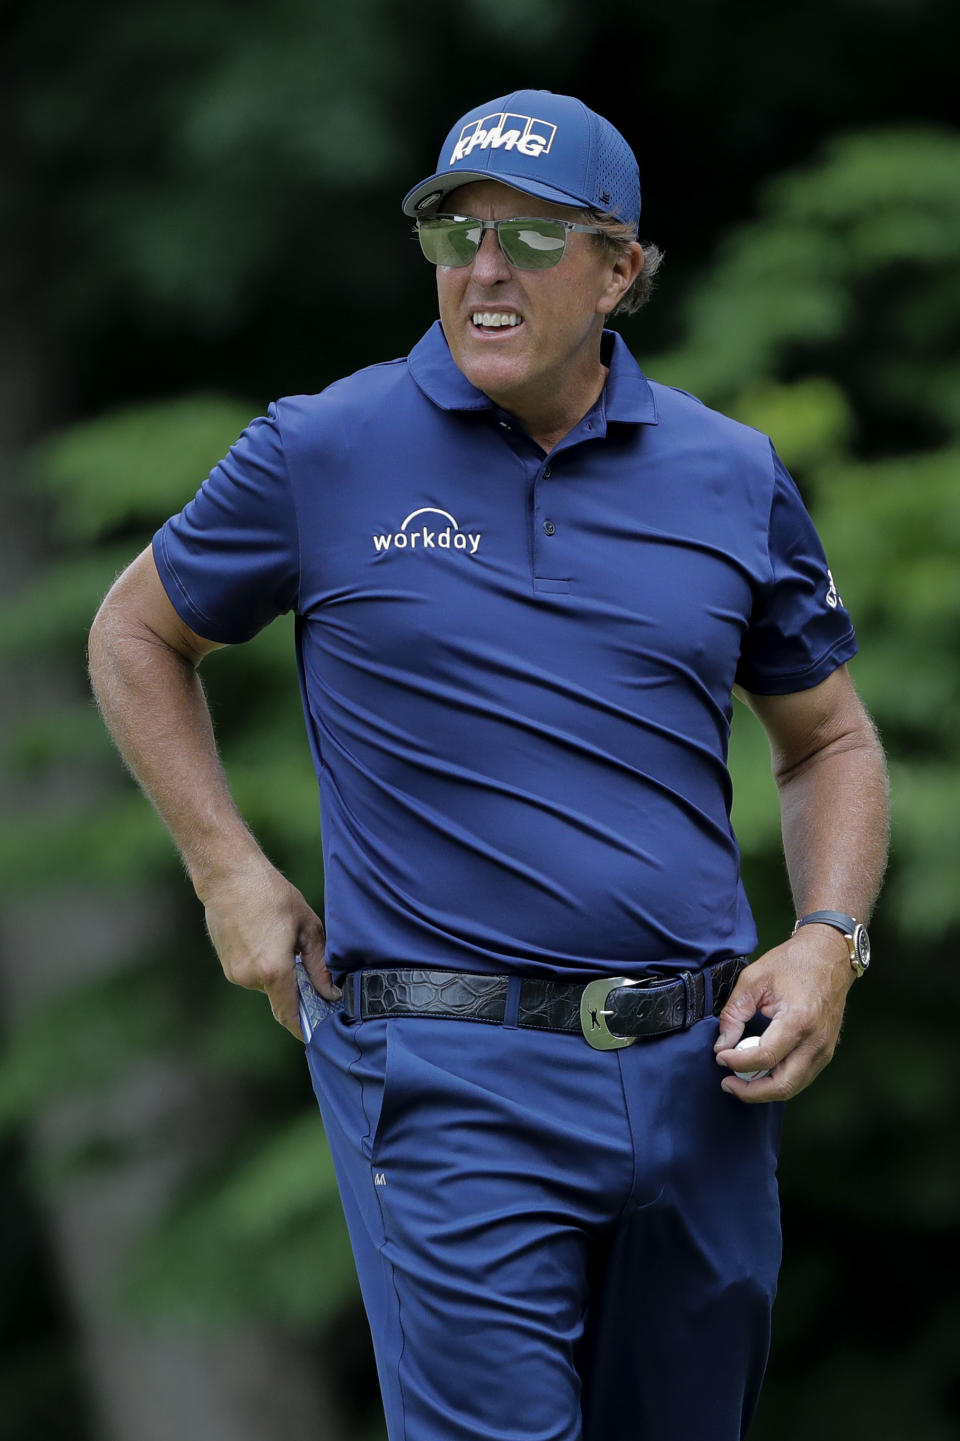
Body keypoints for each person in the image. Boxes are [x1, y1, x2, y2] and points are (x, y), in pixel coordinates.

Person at [88, 89, 888, 1441]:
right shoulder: (322, 449)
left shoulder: (732, 473)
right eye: (455, 231)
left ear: (622, 267)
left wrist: (828, 937)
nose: (484, 267)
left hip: (704, 1075)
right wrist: (228, 871)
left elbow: (833, 742)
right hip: (447, 1070)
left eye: (531, 235)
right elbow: (135, 631)